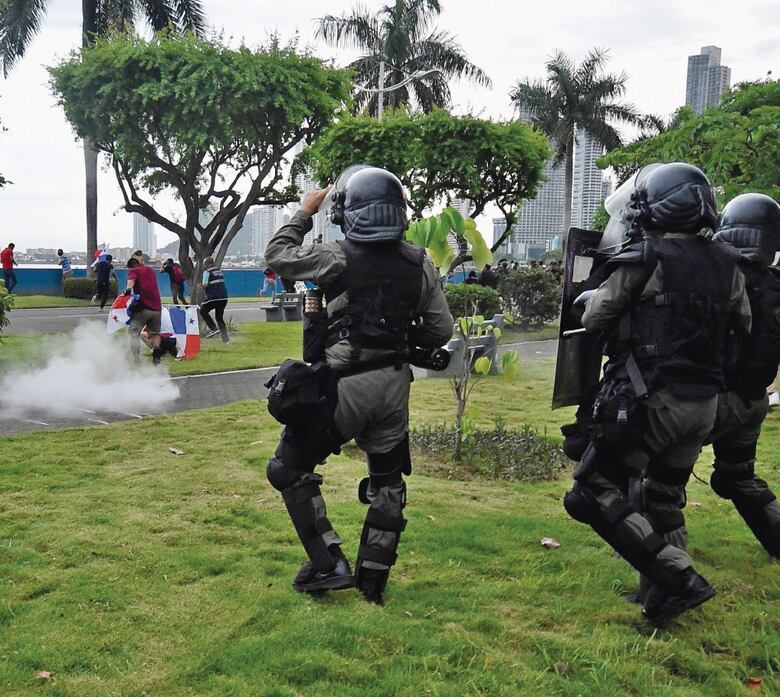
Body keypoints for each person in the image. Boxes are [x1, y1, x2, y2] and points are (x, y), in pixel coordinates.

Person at [562, 162, 751, 624]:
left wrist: (595, 299)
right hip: (703, 406)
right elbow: (742, 324)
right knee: (663, 499)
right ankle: (662, 602)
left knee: (589, 492)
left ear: (652, 207)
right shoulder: (728, 263)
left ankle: (681, 579)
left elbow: (594, 318)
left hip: (652, 402)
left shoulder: (646, 257)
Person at [264, 166, 453, 603]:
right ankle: (373, 580)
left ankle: (328, 564)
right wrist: (400, 340)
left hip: (343, 385)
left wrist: (304, 211)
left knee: (288, 467)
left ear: (349, 213)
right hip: (394, 386)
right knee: (387, 481)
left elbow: (278, 255)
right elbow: (439, 329)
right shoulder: (420, 261)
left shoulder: (337, 256)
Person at [701, 193, 780, 558]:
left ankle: (656, 564)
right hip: (755, 400)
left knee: (647, 470)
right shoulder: (774, 285)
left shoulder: (719, 278)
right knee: (737, 476)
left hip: (715, 401)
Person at [126, 257, 163, 365]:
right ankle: (156, 350)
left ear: (130, 266)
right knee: (155, 334)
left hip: (143, 308)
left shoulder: (133, 270)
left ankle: (136, 359)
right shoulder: (150, 270)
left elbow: (131, 281)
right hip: (157, 308)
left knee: (134, 333)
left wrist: (128, 289)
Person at [200, 257, 230, 344]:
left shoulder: (207, 272)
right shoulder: (219, 271)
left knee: (203, 311)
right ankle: (226, 340)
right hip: (224, 297)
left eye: (204, 264)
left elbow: (205, 284)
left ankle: (213, 328)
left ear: (206, 264)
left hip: (214, 297)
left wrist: (201, 286)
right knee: (219, 318)